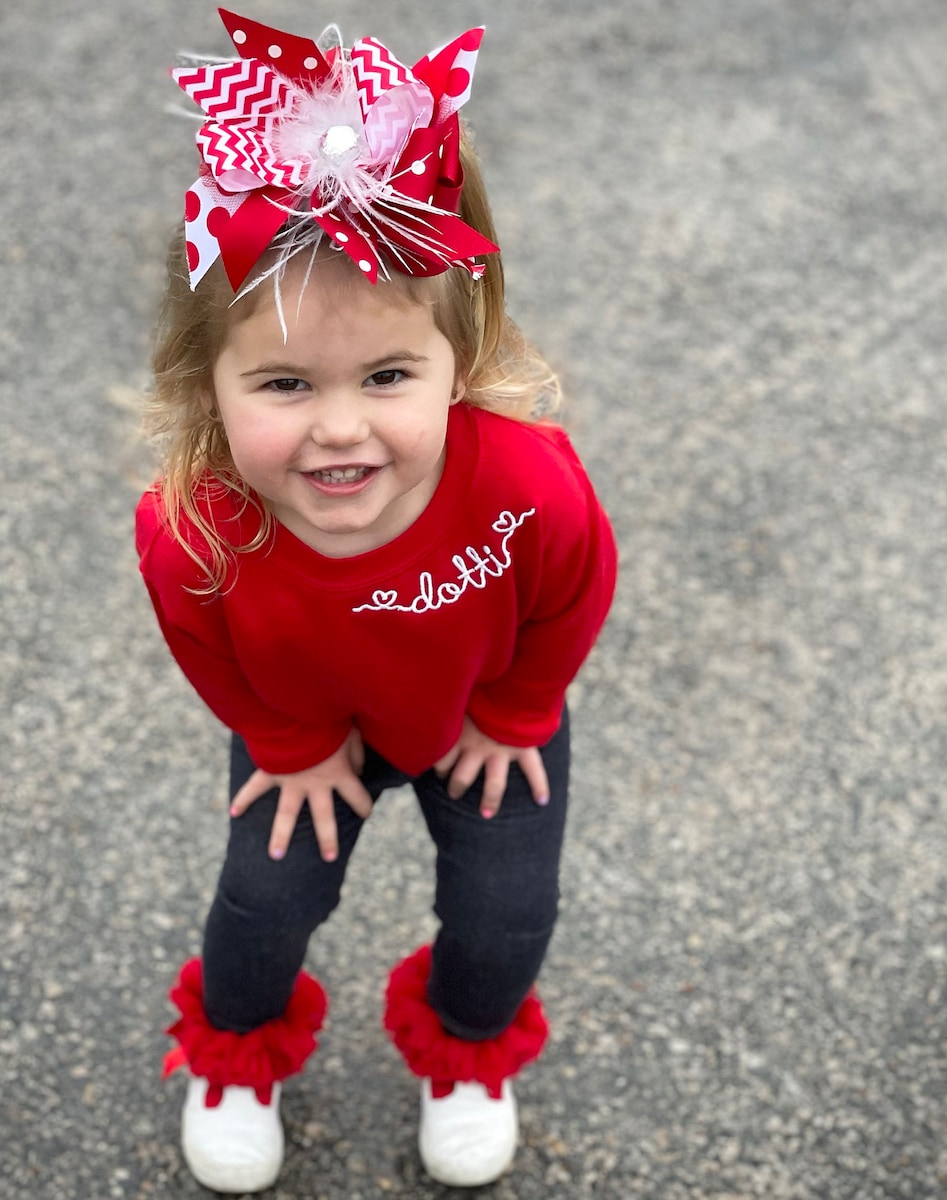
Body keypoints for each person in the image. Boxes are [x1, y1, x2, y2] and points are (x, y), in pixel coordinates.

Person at [135, 9, 617, 1192]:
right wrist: (292, 744)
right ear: (208, 381)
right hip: (310, 732)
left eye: (390, 377)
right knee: (261, 900)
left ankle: (466, 1053)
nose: (340, 428)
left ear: (466, 353)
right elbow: (208, 649)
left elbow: (577, 585)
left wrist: (516, 711)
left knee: (507, 910)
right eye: (286, 383)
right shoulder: (196, 522)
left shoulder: (523, 478)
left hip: (489, 712)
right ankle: (237, 1056)